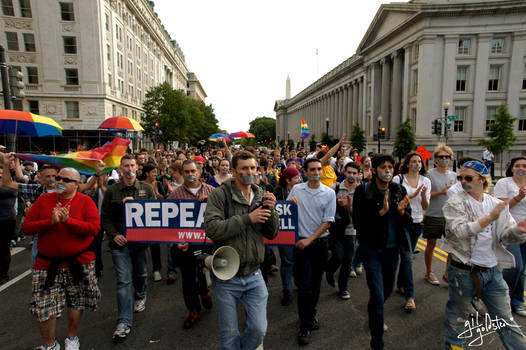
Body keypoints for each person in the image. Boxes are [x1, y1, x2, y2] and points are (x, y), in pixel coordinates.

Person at [442, 160, 526, 349]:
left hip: (492, 271)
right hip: (463, 271)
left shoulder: (495, 204)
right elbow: (460, 231)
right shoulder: (455, 202)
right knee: (457, 319)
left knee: (505, 320)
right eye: (460, 177)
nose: (463, 181)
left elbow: (506, 236)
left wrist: (519, 231)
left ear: (482, 180)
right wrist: (490, 218)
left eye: (468, 178)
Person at [204, 150, 279, 350]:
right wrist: (248, 219)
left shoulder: (262, 194)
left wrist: (271, 212)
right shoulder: (219, 195)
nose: (250, 172)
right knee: (229, 336)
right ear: (234, 171)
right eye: (244, 168)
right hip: (227, 276)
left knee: (258, 330)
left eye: (253, 168)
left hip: (254, 274)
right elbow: (212, 229)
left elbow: (272, 234)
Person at [22, 167, 101, 350]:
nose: (59, 182)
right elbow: (26, 227)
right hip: (46, 264)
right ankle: (50, 345)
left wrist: (69, 222)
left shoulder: (85, 201)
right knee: (43, 306)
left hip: (78, 262)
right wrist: (49, 222)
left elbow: (94, 229)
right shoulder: (44, 200)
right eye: (58, 178)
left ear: (76, 184)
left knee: (76, 300)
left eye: (65, 179)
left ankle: (71, 338)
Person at [352, 154, 412, 350]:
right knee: (377, 295)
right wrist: (381, 213)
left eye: (390, 168)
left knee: (386, 290)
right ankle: (377, 341)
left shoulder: (398, 190)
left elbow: (407, 222)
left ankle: (374, 312)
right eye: (383, 167)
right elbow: (358, 222)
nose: (387, 171)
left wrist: (402, 212)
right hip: (372, 250)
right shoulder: (364, 191)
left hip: (392, 250)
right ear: (375, 170)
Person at [101, 154, 156, 342]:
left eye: (132, 165)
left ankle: (141, 294)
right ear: (121, 168)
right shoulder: (112, 191)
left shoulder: (147, 189)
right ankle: (123, 322)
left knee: (140, 274)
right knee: (123, 281)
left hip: (140, 243)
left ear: (137, 167)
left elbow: (156, 213)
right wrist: (114, 235)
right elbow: (105, 216)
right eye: (126, 166)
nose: (129, 168)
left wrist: (138, 206)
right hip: (119, 243)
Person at [287, 157, 336, 346]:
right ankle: (305, 326)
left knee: (315, 285)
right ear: (305, 172)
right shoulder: (297, 189)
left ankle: (311, 313)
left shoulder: (329, 193)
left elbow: (328, 221)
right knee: (304, 286)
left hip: (319, 244)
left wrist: (310, 239)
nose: (316, 172)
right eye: (312, 169)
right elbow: (286, 212)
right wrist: (290, 204)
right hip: (300, 246)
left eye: (318, 169)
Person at [168, 160, 214, 329]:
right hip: (185, 245)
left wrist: (211, 201)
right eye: (186, 171)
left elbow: (222, 213)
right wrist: (176, 241)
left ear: (199, 172)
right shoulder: (175, 194)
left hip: (205, 243)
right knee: (188, 278)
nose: (190, 174)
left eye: (193, 171)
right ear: (182, 173)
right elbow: (168, 222)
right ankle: (193, 309)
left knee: (203, 273)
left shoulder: (211, 191)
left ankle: (204, 292)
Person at [392, 152, 431, 311]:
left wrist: (422, 196)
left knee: (406, 258)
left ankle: (401, 283)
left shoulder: (426, 180)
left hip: (417, 222)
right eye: (413, 161)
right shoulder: (398, 179)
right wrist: (412, 194)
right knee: (407, 258)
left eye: (419, 161)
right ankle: (410, 296)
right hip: (402, 223)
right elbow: (395, 202)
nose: (417, 164)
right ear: (407, 164)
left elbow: (425, 206)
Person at [494, 156, 526, 317]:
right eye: (517, 165)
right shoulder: (504, 183)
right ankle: (500, 298)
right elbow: (501, 207)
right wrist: (518, 197)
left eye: (524, 166)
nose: (521, 168)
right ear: (512, 168)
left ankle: (517, 302)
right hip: (510, 230)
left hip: (525, 232)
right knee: (515, 266)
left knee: (523, 270)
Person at [326, 162, 361, 300]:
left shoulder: (360, 191)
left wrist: (349, 207)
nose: (351, 175)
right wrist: (337, 206)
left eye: (354, 173)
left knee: (348, 261)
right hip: (336, 231)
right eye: (349, 172)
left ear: (358, 175)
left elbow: (359, 217)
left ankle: (343, 288)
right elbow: (326, 209)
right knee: (339, 256)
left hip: (351, 231)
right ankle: (329, 270)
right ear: (344, 173)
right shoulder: (335, 188)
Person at [424, 143, 456, 285]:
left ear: (450, 159)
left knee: (451, 246)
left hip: (450, 216)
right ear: (435, 159)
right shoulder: (429, 174)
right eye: (441, 157)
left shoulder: (454, 176)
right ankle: (429, 272)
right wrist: (441, 192)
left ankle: (448, 272)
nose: (444, 159)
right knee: (431, 244)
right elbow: (425, 195)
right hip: (434, 214)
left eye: (446, 157)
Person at [274, 166, 302, 306]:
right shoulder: (278, 191)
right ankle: (287, 290)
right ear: (288, 180)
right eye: (296, 178)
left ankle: (298, 281)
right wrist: (287, 204)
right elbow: (274, 208)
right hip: (284, 231)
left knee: (298, 260)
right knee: (287, 261)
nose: (299, 180)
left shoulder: (303, 189)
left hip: (301, 231)